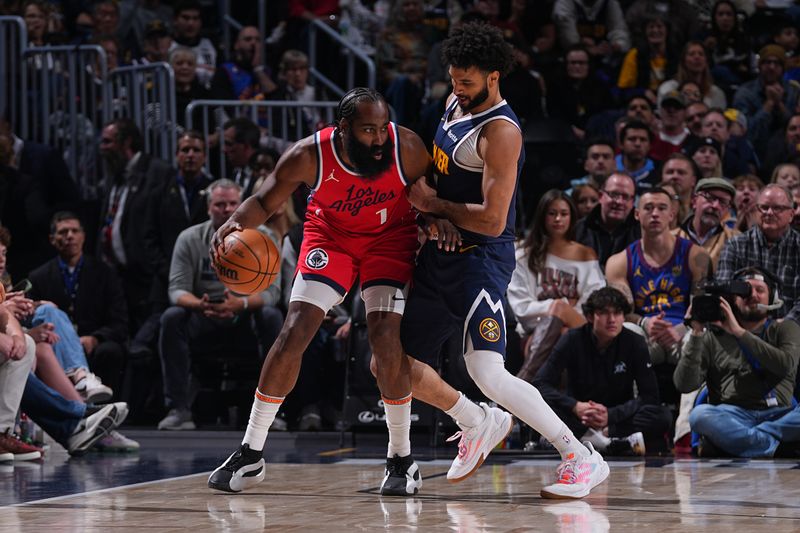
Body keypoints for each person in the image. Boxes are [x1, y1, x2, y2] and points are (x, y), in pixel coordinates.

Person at [206, 88, 514, 496]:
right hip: (330, 239)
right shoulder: (308, 154)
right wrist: (233, 225)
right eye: (368, 130)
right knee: (295, 329)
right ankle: (251, 451)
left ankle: (401, 458)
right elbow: (264, 202)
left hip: (389, 240)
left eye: (382, 127)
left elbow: (433, 196)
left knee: (385, 338)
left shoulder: (405, 147)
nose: (379, 137)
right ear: (344, 128)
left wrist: (436, 219)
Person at [402, 22, 609, 499]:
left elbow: (495, 222)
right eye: (453, 78)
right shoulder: (455, 103)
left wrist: (433, 207)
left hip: (482, 260)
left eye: (467, 81)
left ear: (494, 77)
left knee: (487, 372)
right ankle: (475, 421)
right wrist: (434, 218)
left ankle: (580, 456)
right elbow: (438, 179)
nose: (457, 88)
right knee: (393, 364)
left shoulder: (501, 131)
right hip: (441, 250)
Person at [157, 179, 283, 431]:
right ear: (208, 208)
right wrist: (199, 304)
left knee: (272, 316)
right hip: (205, 313)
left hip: (245, 317)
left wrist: (241, 304)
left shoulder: (264, 237)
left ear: (241, 205)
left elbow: (273, 293)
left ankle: (272, 411)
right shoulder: (190, 238)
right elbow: (176, 290)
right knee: (171, 317)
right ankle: (179, 409)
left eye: (232, 204)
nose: (226, 209)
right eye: (219, 204)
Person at [676, 267, 800, 457]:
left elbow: (785, 365)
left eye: (760, 290)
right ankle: (776, 447)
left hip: (780, 413)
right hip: (732, 416)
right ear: (733, 299)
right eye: (745, 290)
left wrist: (739, 332)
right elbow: (685, 384)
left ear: (772, 297)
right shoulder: (712, 337)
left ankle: (746, 443)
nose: (753, 295)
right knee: (699, 415)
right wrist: (696, 333)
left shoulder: (785, 329)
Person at [533, 287, 672, 455]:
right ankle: (608, 442)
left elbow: (650, 395)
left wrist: (610, 416)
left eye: (618, 313)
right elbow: (540, 383)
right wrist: (575, 406)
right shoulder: (572, 339)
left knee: (662, 416)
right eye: (604, 313)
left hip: (616, 417)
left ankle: (597, 438)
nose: (612, 319)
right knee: (541, 405)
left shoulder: (635, 342)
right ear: (591, 316)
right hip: (578, 415)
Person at [605, 188, 712, 405]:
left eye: (662, 208)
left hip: (682, 333)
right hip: (646, 337)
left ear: (672, 215)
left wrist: (682, 328)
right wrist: (645, 322)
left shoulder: (696, 255)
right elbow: (619, 312)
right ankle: (631, 421)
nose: (655, 213)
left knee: (700, 337)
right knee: (625, 332)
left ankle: (686, 432)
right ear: (636, 214)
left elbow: (701, 307)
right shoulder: (619, 261)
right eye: (648, 208)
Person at [507, 190, 605, 383]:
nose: (558, 219)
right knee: (563, 331)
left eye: (564, 213)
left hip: (581, 328)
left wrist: (564, 313)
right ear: (542, 216)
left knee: (567, 329)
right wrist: (558, 310)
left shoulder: (585, 255)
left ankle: (519, 390)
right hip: (534, 333)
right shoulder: (524, 256)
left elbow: (595, 301)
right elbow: (521, 307)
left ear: (572, 217)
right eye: (552, 213)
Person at [98, 118, 172, 333]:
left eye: (107, 142)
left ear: (126, 142)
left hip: (147, 279)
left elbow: (166, 228)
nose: (102, 148)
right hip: (118, 276)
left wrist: (160, 269)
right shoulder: (116, 174)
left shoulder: (158, 172)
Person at [717, 184, 800, 322]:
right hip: (742, 327)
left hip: (791, 331)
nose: (769, 213)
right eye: (764, 207)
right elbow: (723, 290)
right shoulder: (736, 245)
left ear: (791, 215)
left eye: (777, 208)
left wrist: (785, 325)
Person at [575, 173, 641, 270]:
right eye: (613, 194)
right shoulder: (578, 229)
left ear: (632, 202)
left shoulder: (642, 232)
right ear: (601, 196)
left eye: (625, 196)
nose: (619, 201)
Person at [674, 178, 739, 270]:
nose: (715, 206)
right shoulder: (671, 238)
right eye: (710, 198)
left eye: (723, 202)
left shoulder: (736, 241)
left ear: (728, 209)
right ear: (694, 200)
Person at [168, 0, 217, 88]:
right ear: (175, 20)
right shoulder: (166, 46)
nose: (191, 23)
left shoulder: (211, 45)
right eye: (186, 18)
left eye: (195, 18)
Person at [223, 117, 260, 199]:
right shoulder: (233, 172)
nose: (224, 149)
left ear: (246, 146)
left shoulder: (264, 174)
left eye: (229, 144)